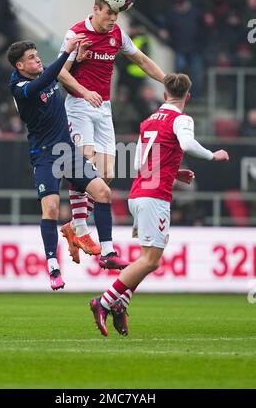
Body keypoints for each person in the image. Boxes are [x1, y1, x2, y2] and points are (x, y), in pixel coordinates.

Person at [89, 73, 229, 336]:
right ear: (187, 96)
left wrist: (174, 173)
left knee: (148, 259)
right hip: (154, 197)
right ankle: (105, 302)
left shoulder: (149, 121)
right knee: (151, 261)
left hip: (138, 193)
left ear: (165, 95)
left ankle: (121, 304)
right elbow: (187, 144)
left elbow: (137, 163)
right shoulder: (181, 118)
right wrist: (213, 155)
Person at [58, 0, 166, 269]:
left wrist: (167, 80)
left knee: (105, 177)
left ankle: (72, 226)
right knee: (84, 163)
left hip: (104, 109)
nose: (112, 19)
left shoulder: (117, 36)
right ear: (95, 9)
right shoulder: (76, 33)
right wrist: (83, 90)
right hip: (80, 105)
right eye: (108, 13)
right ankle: (82, 228)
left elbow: (141, 60)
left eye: (116, 14)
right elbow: (59, 72)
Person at [7, 36, 117, 291]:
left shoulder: (44, 73)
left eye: (37, 55)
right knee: (52, 208)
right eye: (31, 58)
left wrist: (76, 58)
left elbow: (59, 74)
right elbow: (49, 78)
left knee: (104, 192)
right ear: (20, 66)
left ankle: (108, 252)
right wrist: (66, 52)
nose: (37, 59)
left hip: (68, 151)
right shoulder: (21, 88)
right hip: (45, 155)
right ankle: (53, 265)